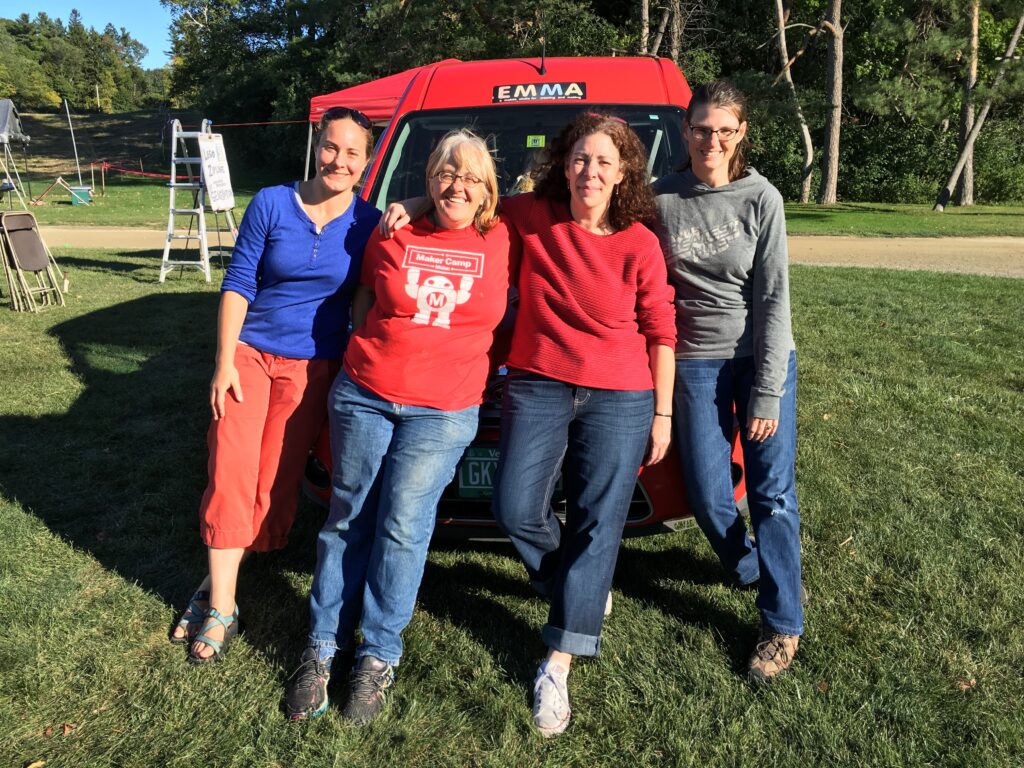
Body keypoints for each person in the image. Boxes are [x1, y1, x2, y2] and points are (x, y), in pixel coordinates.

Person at [284, 130, 517, 724]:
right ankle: (322, 647)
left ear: (488, 187)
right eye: (445, 173)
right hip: (366, 394)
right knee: (348, 517)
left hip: (444, 410)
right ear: (428, 177)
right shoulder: (393, 230)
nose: (457, 186)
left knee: (404, 527)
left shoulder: (503, 234)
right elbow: (365, 297)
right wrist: (413, 205)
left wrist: (419, 199)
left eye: (470, 177)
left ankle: (378, 655)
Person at [169, 106, 380, 664]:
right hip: (250, 355)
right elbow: (239, 282)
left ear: (366, 160)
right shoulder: (271, 202)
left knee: (273, 484)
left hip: (313, 368)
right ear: (317, 144)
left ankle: (218, 579)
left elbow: (365, 297)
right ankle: (223, 607)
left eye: (352, 152)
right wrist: (224, 362)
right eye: (331, 146)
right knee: (230, 468)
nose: (339, 160)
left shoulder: (369, 222)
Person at [652, 80, 804, 685]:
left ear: (740, 133)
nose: (710, 140)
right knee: (709, 495)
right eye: (701, 129)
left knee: (772, 494)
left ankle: (781, 621)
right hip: (694, 362)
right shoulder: (661, 197)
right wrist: (424, 203)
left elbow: (773, 300)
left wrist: (767, 392)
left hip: (760, 356)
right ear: (685, 130)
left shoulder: (761, 197)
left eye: (723, 130)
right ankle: (751, 569)